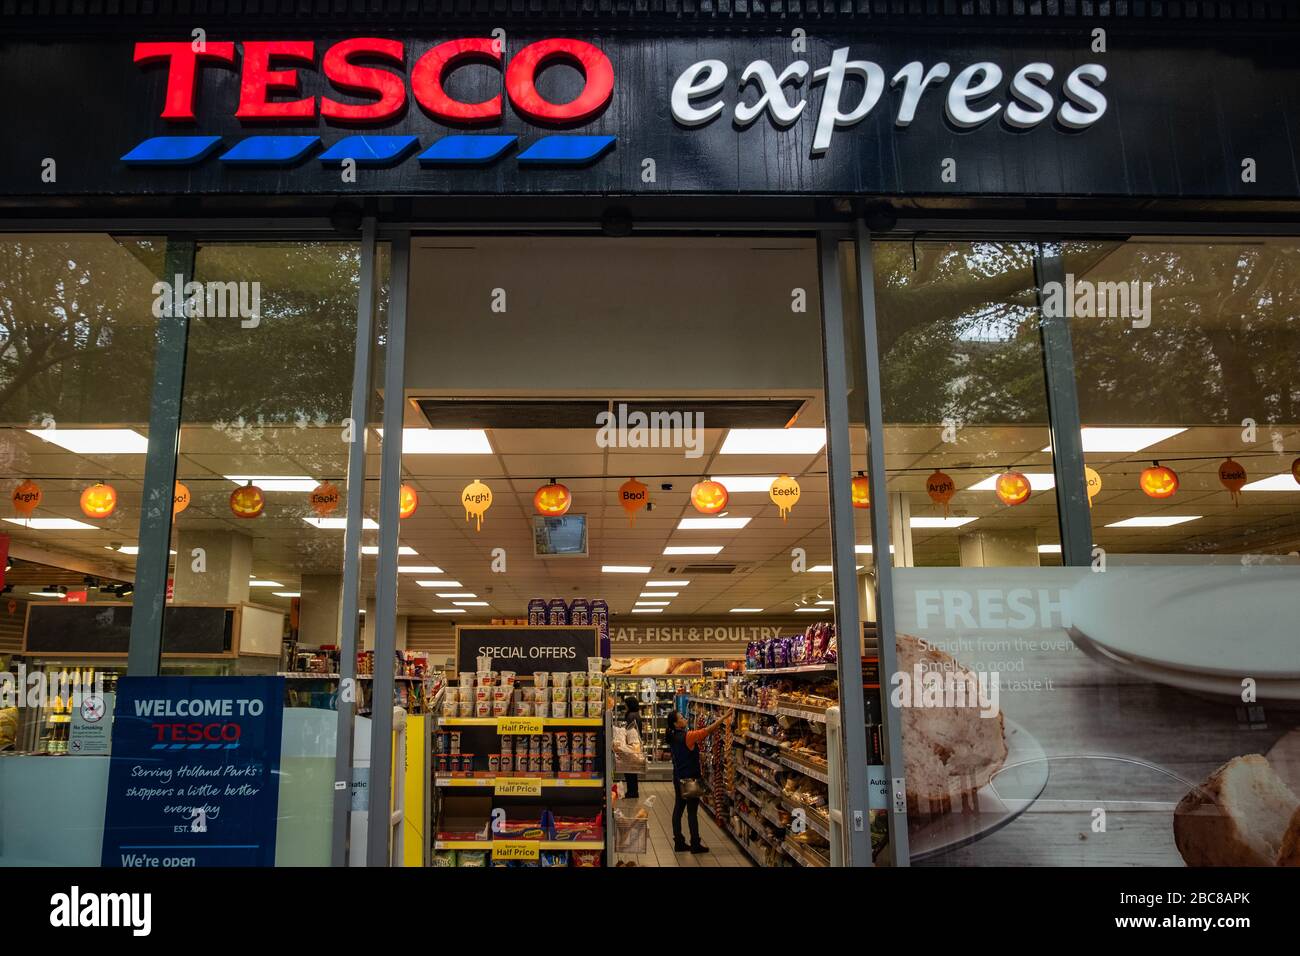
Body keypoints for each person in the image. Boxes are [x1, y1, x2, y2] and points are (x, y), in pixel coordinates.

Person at [665, 707, 733, 854]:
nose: (684, 718)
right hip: (690, 779)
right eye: (681, 717)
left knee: (678, 810)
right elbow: (707, 730)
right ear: (676, 724)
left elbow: (683, 754)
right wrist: (724, 717)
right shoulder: (687, 736)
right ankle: (695, 843)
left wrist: (696, 755)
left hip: (678, 778)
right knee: (691, 812)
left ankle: (679, 842)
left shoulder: (673, 737)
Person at [611, 695, 643, 798]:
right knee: (632, 770)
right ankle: (633, 791)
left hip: (631, 745)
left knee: (629, 770)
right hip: (635, 744)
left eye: (626, 704)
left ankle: (632, 792)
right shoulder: (636, 714)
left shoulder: (631, 716)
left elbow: (629, 730)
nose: (625, 706)